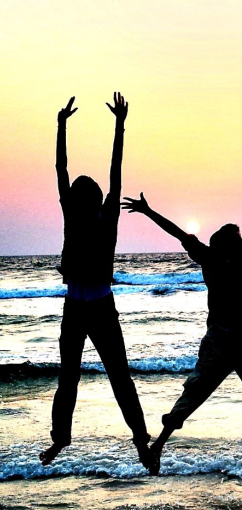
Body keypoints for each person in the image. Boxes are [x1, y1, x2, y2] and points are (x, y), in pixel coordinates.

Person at [122, 191, 242, 474]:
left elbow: (180, 233)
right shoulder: (234, 259)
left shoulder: (221, 259)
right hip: (224, 340)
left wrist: (148, 210)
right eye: (239, 240)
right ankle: (159, 445)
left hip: (236, 338)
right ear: (231, 243)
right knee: (199, 391)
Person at [40, 94, 154, 471]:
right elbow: (70, 170)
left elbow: (98, 172)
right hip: (82, 308)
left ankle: (138, 441)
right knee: (80, 378)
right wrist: (68, 126)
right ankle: (67, 439)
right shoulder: (82, 217)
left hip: (93, 307)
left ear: (87, 201)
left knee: (104, 378)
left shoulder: (101, 219)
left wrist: (114, 126)